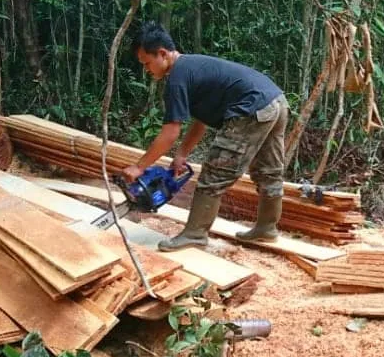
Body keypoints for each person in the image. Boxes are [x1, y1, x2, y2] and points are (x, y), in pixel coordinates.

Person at [122, 22, 289, 252]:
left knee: (214, 174)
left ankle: (195, 234)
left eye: (147, 63)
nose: (146, 70)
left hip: (252, 108)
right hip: (276, 101)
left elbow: (170, 132)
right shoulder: (191, 68)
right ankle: (267, 228)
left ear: (162, 53)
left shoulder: (177, 77)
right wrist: (182, 154)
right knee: (268, 171)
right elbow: (201, 120)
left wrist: (139, 167)